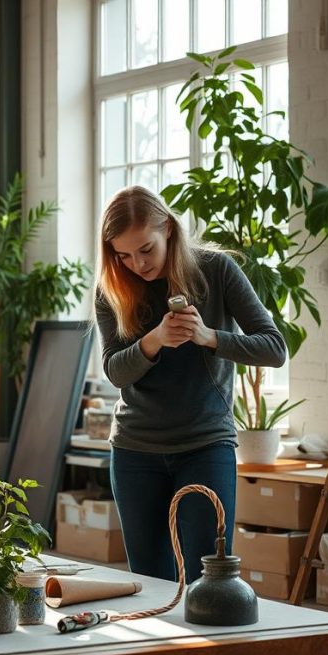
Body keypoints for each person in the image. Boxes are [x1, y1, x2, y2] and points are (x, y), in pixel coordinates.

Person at [94, 185, 286, 582]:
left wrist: (209, 337)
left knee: (211, 579)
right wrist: (153, 341)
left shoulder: (216, 270)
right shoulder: (112, 288)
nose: (137, 264)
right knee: (149, 582)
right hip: (135, 451)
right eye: (123, 255)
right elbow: (115, 372)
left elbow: (274, 348)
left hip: (205, 445)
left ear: (168, 228)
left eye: (145, 249)